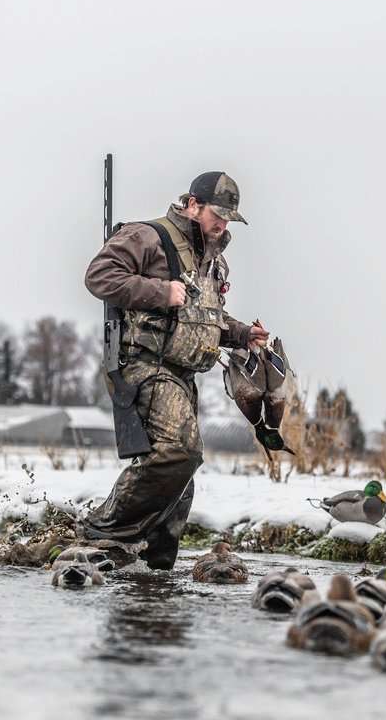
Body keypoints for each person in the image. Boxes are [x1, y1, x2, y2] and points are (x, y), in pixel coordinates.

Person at [78, 171, 269, 569]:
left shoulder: (214, 261)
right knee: (180, 452)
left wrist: (241, 334)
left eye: (230, 219)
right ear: (193, 204)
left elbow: (206, 316)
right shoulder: (147, 236)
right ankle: (103, 529)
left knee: (181, 476)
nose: (223, 224)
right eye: (218, 214)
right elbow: (99, 276)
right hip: (146, 365)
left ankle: (155, 566)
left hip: (183, 374)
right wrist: (160, 291)